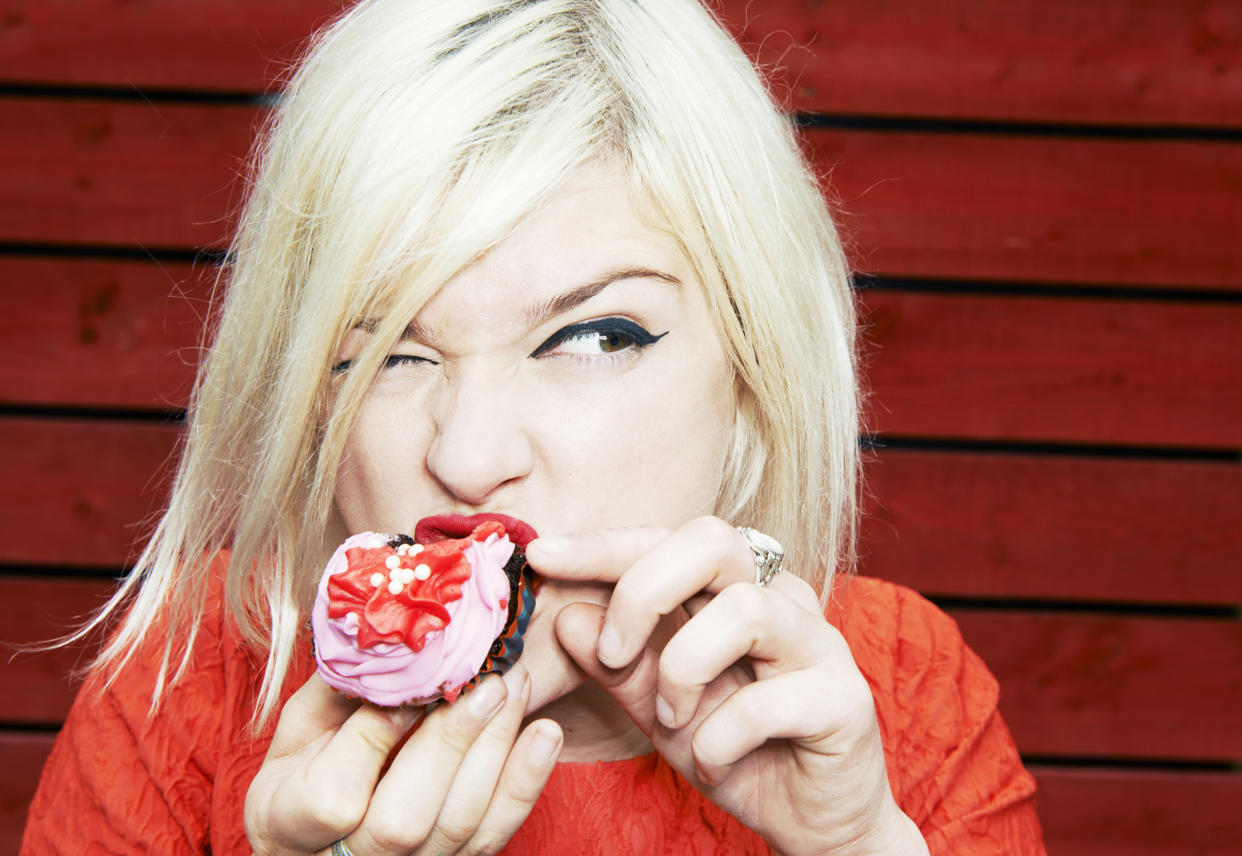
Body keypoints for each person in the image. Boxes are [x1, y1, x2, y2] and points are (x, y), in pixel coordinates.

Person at [23, 0, 1044, 853]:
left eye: (594, 336)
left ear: (752, 365)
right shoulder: (194, 674)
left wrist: (863, 845)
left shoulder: (894, 694)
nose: (466, 457)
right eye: (384, 353)